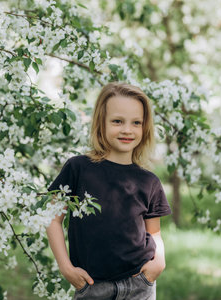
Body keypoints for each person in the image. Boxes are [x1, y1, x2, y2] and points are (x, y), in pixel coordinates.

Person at [46, 82, 171, 300]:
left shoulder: (149, 181)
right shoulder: (78, 169)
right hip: (93, 286)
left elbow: (154, 233)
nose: (127, 130)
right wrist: (66, 267)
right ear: (100, 123)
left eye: (136, 123)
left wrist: (159, 261)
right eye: (117, 121)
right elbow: (52, 218)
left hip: (140, 284)